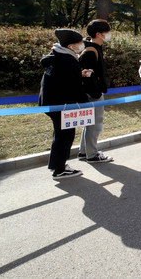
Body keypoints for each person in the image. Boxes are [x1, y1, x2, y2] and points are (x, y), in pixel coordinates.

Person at [39, 29, 91, 180]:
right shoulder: (67, 60)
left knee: (60, 134)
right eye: (79, 43)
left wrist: (78, 74)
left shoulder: (57, 55)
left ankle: (57, 165)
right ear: (70, 46)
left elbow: (63, 78)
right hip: (61, 104)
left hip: (52, 102)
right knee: (65, 136)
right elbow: (74, 88)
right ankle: (59, 170)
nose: (82, 45)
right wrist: (86, 103)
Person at [78, 19, 113, 164]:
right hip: (92, 94)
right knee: (95, 124)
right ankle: (92, 154)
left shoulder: (92, 47)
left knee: (90, 123)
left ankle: (84, 151)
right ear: (99, 34)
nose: (109, 34)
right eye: (107, 32)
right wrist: (97, 93)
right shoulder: (90, 52)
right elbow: (87, 77)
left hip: (92, 92)